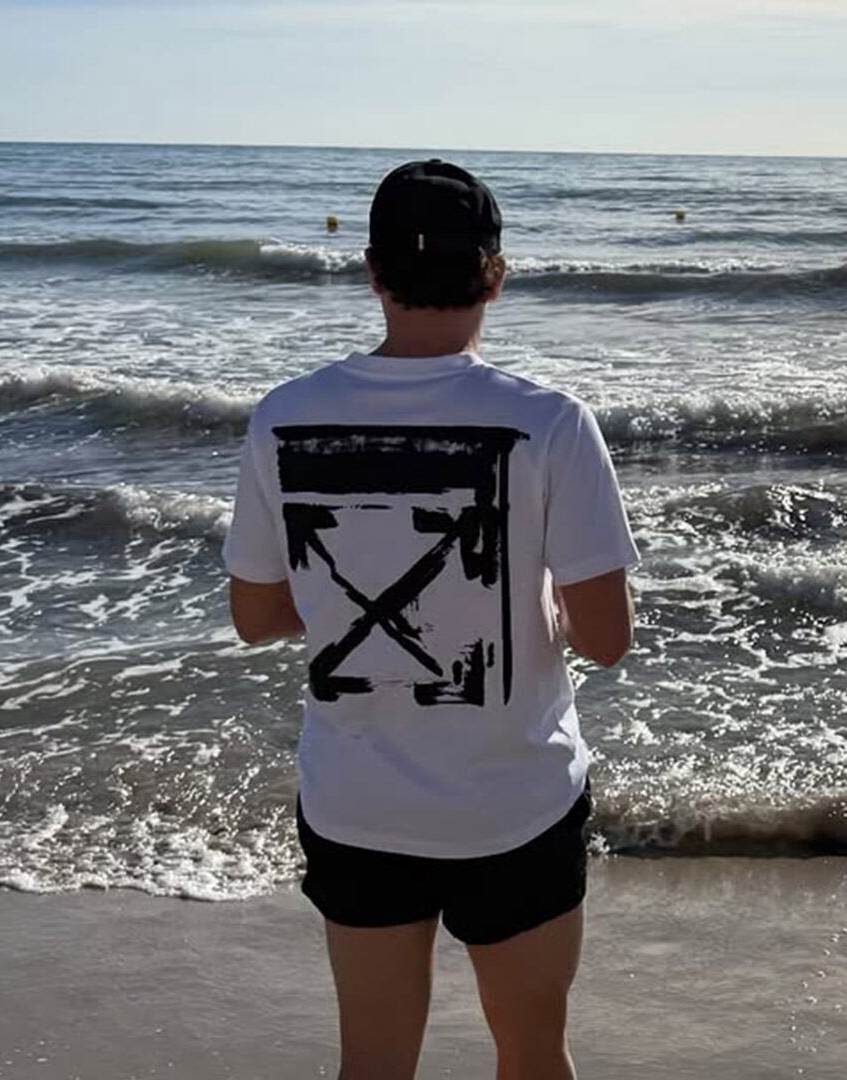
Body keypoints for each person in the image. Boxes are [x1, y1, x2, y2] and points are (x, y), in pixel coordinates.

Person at [223, 159, 638, 1080]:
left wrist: (358, 610)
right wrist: (532, 608)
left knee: (373, 1064)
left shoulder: (283, 417)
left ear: (372, 270)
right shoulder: (552, 423)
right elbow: (607, 639)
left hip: (358, 803)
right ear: (496, 273)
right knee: (533, 1057)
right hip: (514, 804)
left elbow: (255, 614)